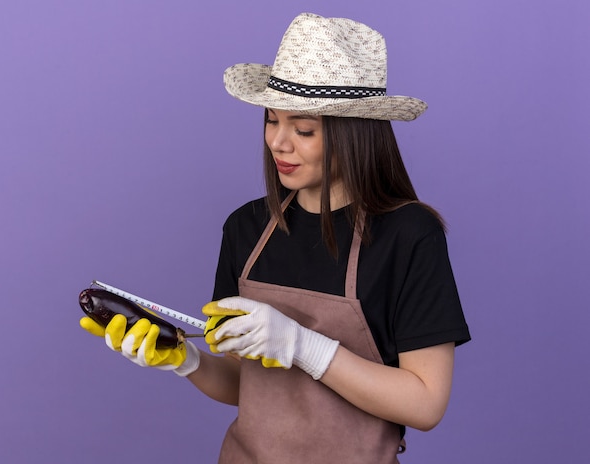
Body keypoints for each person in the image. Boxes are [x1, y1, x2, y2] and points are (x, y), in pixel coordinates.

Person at [80, 12, 471, 464]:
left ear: (355, 135)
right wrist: (184, 359)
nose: (279, 144)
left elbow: (424, 404)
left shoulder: (408, 236)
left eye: (304, 130)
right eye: (271, 121)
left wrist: (302, 345)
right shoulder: (246, 228)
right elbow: (242, 385)